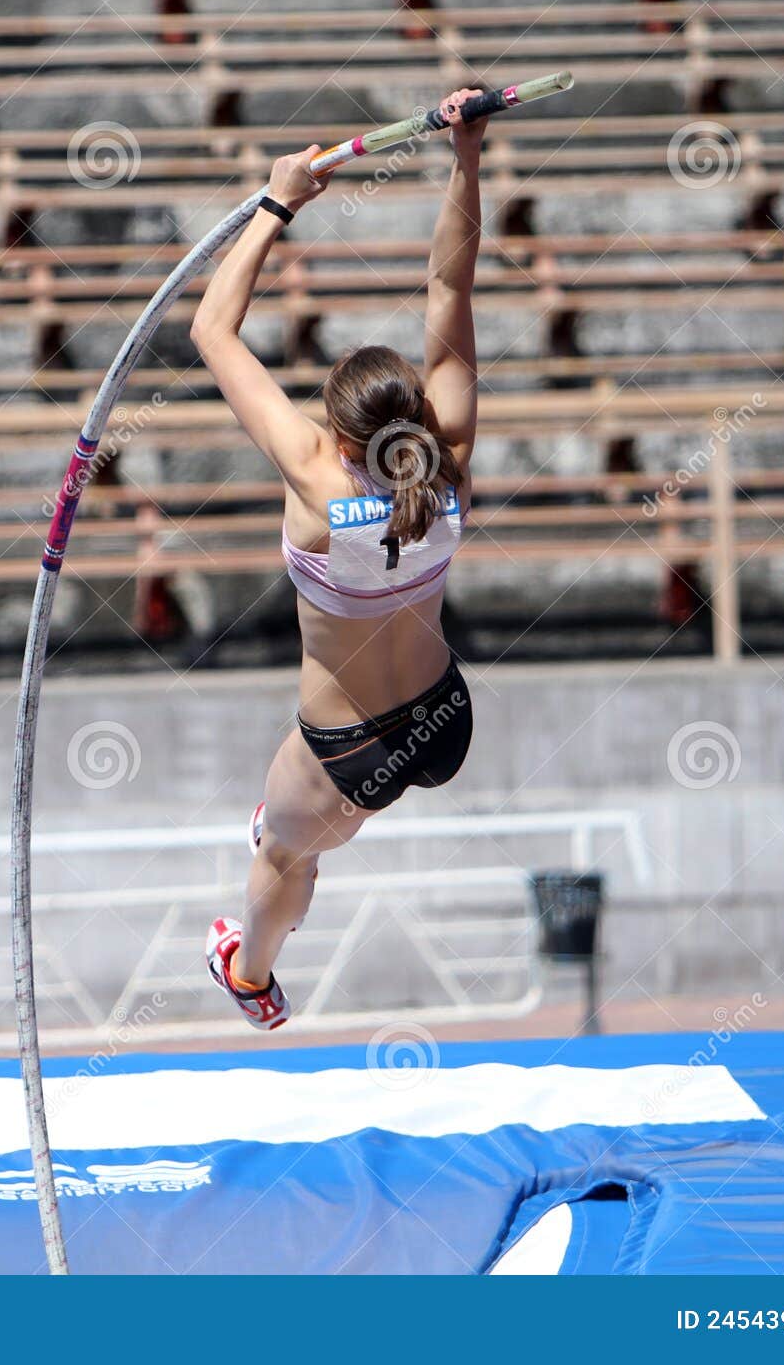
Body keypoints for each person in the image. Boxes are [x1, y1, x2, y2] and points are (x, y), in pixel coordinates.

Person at [189, 88, 488, 1029]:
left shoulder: (317, 479)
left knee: (285, 858)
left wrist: (278, 203)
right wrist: (467, 158)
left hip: (346, 745)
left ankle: (249, 977)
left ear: (336, 428)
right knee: (315, 823)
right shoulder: (453, 465)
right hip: (443, 722)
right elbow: (452, 287)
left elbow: (210, 331)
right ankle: (309, 824)